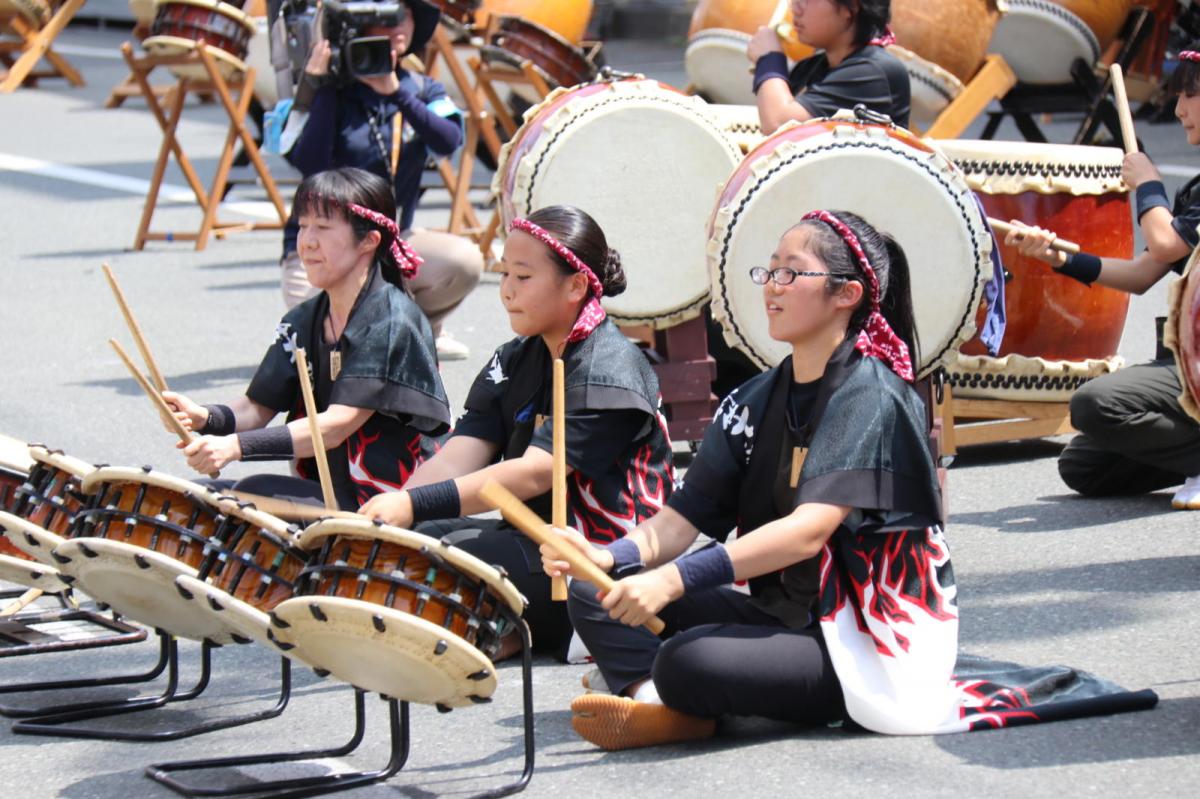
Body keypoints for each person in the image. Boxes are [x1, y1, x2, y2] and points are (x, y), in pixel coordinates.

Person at [543, 211, 1156, 751]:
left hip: (861, 635)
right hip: (784, 613)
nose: (772, 287)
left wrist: (673, 582)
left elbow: (807, 534)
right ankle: (661, 702)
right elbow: (682, 519)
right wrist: (609, 554)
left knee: (688, 657)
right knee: (597, 589)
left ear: (847, 294)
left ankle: (673, 687)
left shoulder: (871, 396)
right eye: (770, 271)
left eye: (791, 272)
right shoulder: (756, 397)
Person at [361, 205, 675, 656]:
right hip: (533, 542)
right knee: (414, 542)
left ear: (576, 285)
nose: (507, 291)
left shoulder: (609, 369)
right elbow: (459, 455)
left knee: (446, 555)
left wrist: (410, 505)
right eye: (505, 274)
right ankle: (500, 629)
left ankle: (515, 631)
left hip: (597, 561)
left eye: (523, 278)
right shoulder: (514, 358)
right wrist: (395, 518)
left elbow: (533, 473)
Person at [165, 167, 451, 510]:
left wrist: (235, 447)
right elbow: (256, 407)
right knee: (189, 498)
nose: (307, 241)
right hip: (326, 491)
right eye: (302, 226)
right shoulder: (305, 319)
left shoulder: (392, 321)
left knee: (246, 496)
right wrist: (204, 417)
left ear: (369, 240)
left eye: (324, 228)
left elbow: (337, 425)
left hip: (386, 506)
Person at [1003, 45, 1200, 510]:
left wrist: (1147, 183)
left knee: (1096, 404)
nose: (1178, 109)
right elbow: (1140, 273)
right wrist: (1059, 258)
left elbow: (1167, 243)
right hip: (1186, 358)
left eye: (1189, 95)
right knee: (1085, 467)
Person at [284, 0, 481, 361]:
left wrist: (398, 94)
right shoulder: (326, 90)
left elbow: (449, 140)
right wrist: (323, 85)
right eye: (385, 17)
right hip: (328, 245)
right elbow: (308, 164)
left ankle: (419, 327)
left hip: (392, 241)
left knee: (463, 261)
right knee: (324, 345)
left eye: (404, 14)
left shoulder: (420, 87)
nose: (398, 25)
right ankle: (374, 328)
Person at [748, 0, 911, 133]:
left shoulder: (874, 72)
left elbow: (778, 125)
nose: (795, 8)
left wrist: (769, 59)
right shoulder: (810, 67)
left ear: (851, 8)